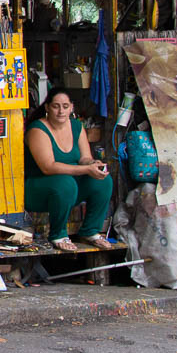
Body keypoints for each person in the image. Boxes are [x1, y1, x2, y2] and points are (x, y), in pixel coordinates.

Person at [24, 91, 116, 252]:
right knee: (66, 183)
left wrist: (93, 164)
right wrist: (85, 169)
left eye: (65, 107)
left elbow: (84, 158)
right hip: (37, 189)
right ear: (47, 107)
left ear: (71, 108)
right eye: (56, 106)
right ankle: (58, 234)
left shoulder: (76, 126)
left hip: (67, 190)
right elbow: (48, 167)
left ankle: (91, 231)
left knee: (102, 181)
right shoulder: (37, 129)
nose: (61, 111)